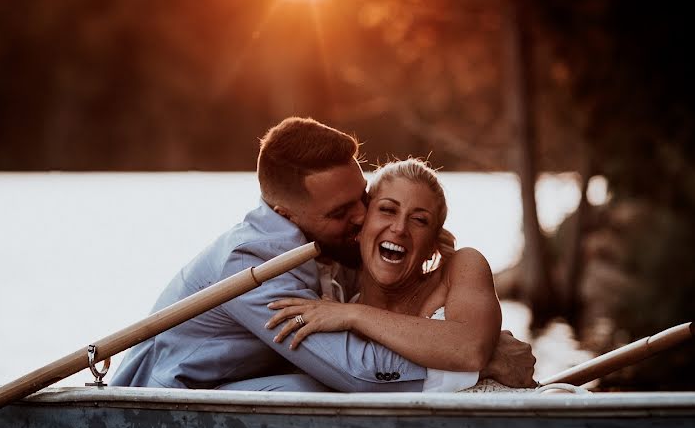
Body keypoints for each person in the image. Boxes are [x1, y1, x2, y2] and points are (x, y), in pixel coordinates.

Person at [111, 117, 535, 392]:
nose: (362, 218)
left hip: (243, 387)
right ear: (286, 214)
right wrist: (480, 360)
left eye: (362, 198)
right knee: (313, 387)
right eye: (340, 211)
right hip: (163, 402)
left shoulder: (341, 244)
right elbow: (358, 372)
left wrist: (463, 343)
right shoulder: (250, 265)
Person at [267, 157, 535, 391]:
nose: (399, 228)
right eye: (387, 209)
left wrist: (354, 315)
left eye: (419, 220)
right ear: (361, 226)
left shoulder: (462, 267)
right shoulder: (335, 317)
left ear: (432, 245)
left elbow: (470, 350)